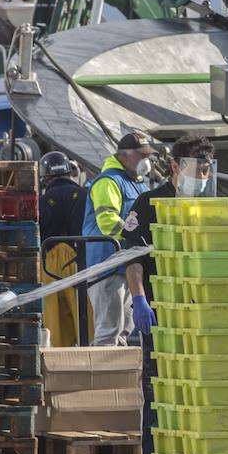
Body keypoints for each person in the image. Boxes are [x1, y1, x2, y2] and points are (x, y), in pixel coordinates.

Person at [122, 135, 216, 454]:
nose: (203, 176)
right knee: (158, 391)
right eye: (197, 168)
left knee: (199, 393)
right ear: (176, 166)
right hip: (161, 313)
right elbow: (132, 259)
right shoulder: (149, 204)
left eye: (208, 169)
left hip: (200, 316)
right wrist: (139, 300)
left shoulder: (210, 206)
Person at [82, 131, 156, 346]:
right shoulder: (108, 182)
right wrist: (137, 238)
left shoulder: (137, 182)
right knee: (109, 331)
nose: (147, 161)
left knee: (123, 331)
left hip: (128, 267)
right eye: (142, 156)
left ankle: (121, 377)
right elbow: (108, 223)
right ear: (124, 156)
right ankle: (104, 378)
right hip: (108, 267)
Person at [38, 151, 85, 346]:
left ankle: (59, 360)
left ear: (45, 175)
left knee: (55, 319)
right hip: (80, 260)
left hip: (50, 262)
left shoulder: (42, 200)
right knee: (84, 316)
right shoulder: (84, 194)